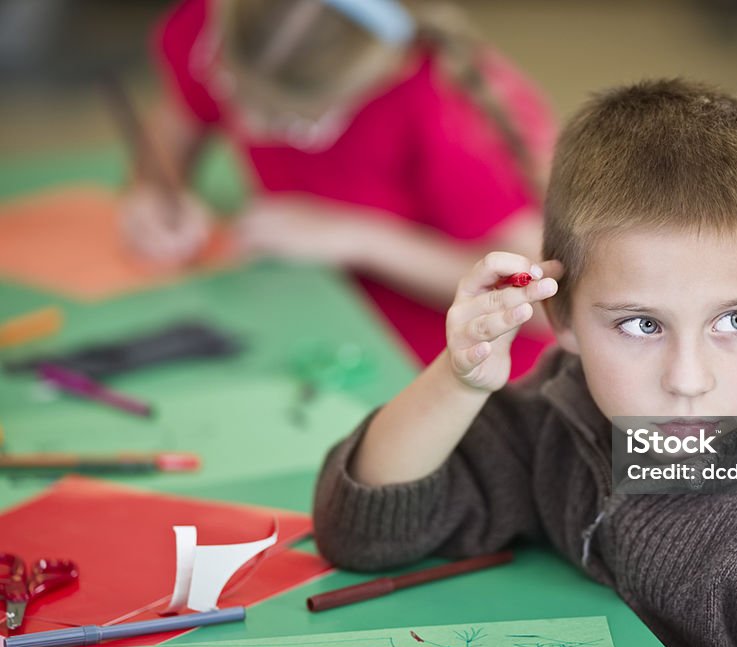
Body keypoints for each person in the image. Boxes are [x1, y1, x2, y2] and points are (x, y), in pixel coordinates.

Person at [312, 78, 737, 647]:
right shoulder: (559, 420)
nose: (688, 379)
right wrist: (458, 381)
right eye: (641, 326)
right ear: (560, 314)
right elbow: (364, 530)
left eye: (736, 319)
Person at [123, 0, 554, 378]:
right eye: (229, 88)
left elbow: (539, 301)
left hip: (455, 362)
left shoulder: (447, 111)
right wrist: (155, 189)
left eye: (292, 120)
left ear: (384, 73)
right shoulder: (230, 29)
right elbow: (179, 118)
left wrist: (360, 239)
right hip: (313, 307)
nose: (251, 124)